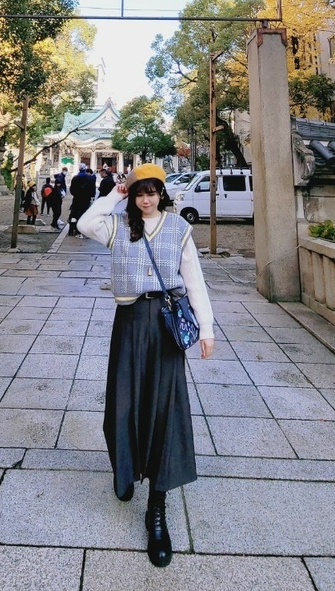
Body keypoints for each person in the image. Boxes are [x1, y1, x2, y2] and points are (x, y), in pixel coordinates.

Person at [77, 163, 215, 569]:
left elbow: (194, 280)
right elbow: (86, 222)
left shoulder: (177, 229)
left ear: (162, 194)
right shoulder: (118, 225)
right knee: (124, 403)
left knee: (164, 409)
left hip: (166, 326)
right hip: (130, 322)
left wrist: (206, 329)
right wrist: (115, 194)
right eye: (140, 192)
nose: (146, 198)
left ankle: (157, 507)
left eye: (152, 191)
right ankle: (126, 470)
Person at [68, 163, 96, 237]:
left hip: (76, 199)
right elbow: (92, 189)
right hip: (86, 199)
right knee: (84, 214)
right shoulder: (90, 178)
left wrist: (76, 194)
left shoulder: (75, 178)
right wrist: (91, 196)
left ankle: (71, 230)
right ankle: (81, 230)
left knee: (74, 214)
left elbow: (71, 190)